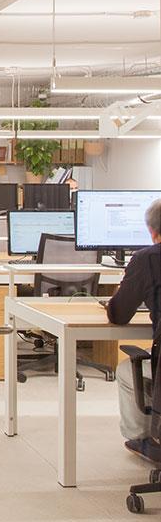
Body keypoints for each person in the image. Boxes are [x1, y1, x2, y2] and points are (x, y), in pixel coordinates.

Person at [107, 198, 161, 462]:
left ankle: (147, 441)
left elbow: (119, 314)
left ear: (152, 232)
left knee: (127, 370)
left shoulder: (147, 259)